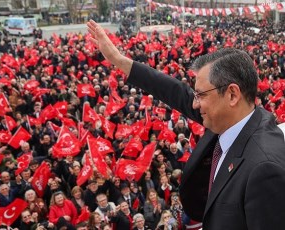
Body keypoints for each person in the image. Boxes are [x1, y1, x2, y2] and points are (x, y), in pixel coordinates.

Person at [87, 20, 285, 230]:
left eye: (200, 95)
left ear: (232, 94)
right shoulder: (236, 118)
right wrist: (119, 60)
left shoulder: (264, 170)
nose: (194, 102)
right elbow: (176, 92)